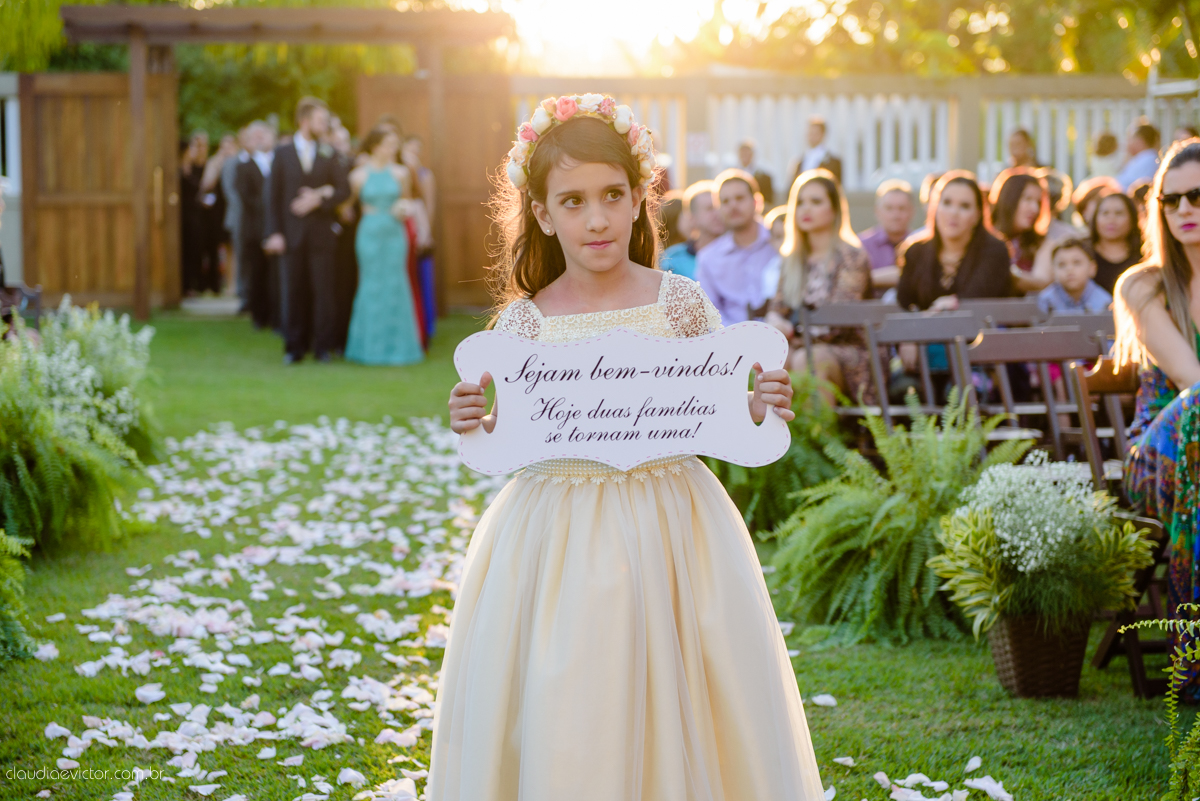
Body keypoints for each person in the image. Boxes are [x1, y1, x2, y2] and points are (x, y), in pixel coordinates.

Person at [436, 96, 825, 800]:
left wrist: (759, 402)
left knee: (679, 684)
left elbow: (716, 405)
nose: (597, 218)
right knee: (568, 690)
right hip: (553, 537)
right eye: (574, 201)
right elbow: (509, 432)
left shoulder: (677, 303)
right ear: (545, 214)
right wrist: (475, 418)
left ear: (639, 198)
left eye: (613, 195)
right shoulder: (523, 325)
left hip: (671, 524)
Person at [1112, 139, 1200, 698]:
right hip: (1157, 460)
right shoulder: (1143, 286)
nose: (1185, 210)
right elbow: (1192, 383)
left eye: (1197, 197)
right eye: (1171, 200)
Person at [764, 169, 873, 402]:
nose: (806, 209)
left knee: (807, 359)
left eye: (816, 201)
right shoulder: (792, 259)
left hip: (850, 351)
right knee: (773, 359)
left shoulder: (851, 256)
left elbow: (837, 321)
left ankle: (821, 436)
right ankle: (784, 436)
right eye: (800, 202)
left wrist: (793, 336)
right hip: (804, 345)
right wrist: (776, 321)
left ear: (834, 209)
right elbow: (777, 307)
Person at [263, 96, 351, 364]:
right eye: (320, 120)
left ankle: (323, 348)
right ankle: (294, 347)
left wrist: (318, 198)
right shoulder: (282, 154)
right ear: (304, 121)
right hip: (291, 235)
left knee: (324, 293)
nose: (324, 125)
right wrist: (274, 233)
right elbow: (272, 197)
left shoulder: (329, 153)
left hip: (322, 236)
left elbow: (343, 190)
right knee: (293, 291)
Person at [342, 125, 425, 366]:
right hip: (368, 233)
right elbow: (346, 205)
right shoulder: (357, 175)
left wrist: (403, 210)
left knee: (395, 283)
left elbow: (407, 201)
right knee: (370, 284)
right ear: (375, 146)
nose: (393, 148)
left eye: (394, 144)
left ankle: (400, 348)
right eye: (389, 144)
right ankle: (367, 348)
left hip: (394, 233)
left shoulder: (400, 173)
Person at [897, 170, 1015, 312]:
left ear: (977, 215)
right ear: (935, 208)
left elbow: (979, 298)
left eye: (964, 206)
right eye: (947, 203)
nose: (953, 212)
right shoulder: (915, 251)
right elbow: (904, 303)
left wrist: (954, 304)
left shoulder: (995, 251)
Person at [695, 169, 777, 325]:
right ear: (718, 209)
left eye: (739, 198)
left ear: (756, 202)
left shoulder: (780, 245)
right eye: (725, 201)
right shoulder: (708, 258)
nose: (733, 206)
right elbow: (710, 314)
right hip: (730, 344)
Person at [989, 167, 1073, 293]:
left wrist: (1006, 270)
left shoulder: (1043, 243)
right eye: (1027, 199)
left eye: (1038, 202)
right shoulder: (986, 238)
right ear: (1009, 199)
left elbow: (1041, 281)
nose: (1035, 209)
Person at [235, 121, 277, 330]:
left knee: (276, 274)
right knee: (257, 273)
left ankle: (276, 314)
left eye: (264, 135)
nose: (261, 139)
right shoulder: (244, 167)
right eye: (256, 136)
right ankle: (259, 316)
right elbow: (247, 197)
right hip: (254, 229)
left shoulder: (279, 163)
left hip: (277, 229)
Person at [402, 134, 438, 340]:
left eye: (417, 150)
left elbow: (428, 205)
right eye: (410, 149)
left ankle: (426, 325)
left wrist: (426, 232)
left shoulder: (424, 175)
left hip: (420, 228)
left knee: (423, 279)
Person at [659, 179, 724, 280]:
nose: (717, 213)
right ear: (692, 217)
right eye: (709, 209)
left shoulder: (739, 253)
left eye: (719, 207)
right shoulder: (672, 260)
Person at [857, 179, 915, 292]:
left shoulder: (921, 244)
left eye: (902, 208)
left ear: (912, 211)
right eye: (889, 208)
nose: (896, 215)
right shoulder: (861, 245)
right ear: (877, 211)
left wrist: (871, 278)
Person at [1036, 238, 1113, 315]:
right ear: (1053, 271)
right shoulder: (1045, 301)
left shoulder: (1105, 302)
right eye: (1061, 264)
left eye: (1077, 263)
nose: (1069, 269)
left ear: (1092, 268)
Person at [1089, 190, 1143, 294]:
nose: (1111, 219)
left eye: (1119, 213)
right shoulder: (1083, 252)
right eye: (1105, 213)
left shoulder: (1145, 254)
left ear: (1132, 218)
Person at [790, 115, 842, 186]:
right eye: (810, 133)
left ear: (823, 134)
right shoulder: (799, 162)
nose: (812, 136)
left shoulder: (834, 162)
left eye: (815, 133)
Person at [1117, 122, 1162, 191]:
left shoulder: (1148, 160)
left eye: (1131, 138)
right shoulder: (1144, 158)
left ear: (1140, 140)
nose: (1127, 143)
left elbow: (1124, 186)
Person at [737, 138, 776, 207]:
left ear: (752, 154)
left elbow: (769, 201)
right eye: (742, 152)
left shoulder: (764, 177)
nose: (744, 155)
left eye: (747, 152)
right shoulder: (734, 176)